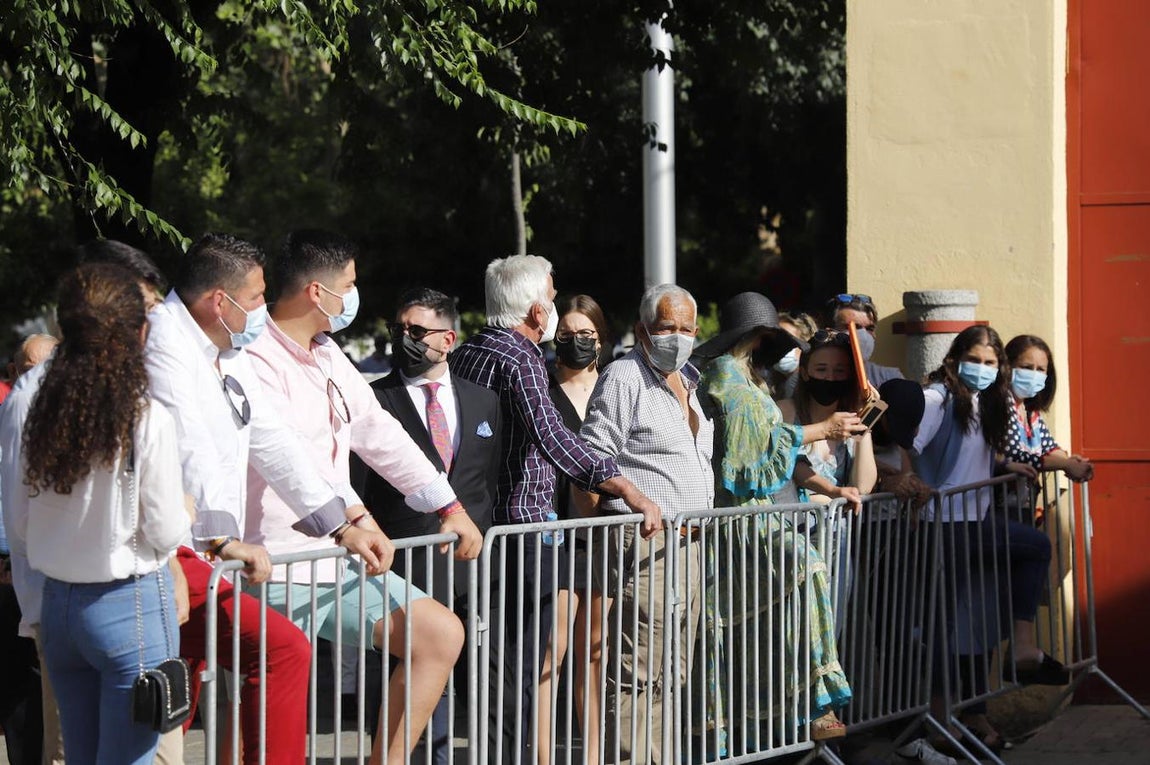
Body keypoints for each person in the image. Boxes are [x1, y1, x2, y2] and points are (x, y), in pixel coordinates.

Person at [145, 232, 394, 765]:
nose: (264, 308)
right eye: (257, 297)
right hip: (174, 555)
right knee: (260, 660)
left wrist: (339, 525)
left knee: (180, 698)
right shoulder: (164, 346)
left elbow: (272, 441)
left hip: (205, 556)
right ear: (220, 301)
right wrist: (221, 540)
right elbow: (190, 451)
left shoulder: (224, 349)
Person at [245, 232, 482, 765]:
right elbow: (285, 458)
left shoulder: (328, 352)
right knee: (264, 719)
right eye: (349, 285)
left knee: (439, 635)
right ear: (316, 292)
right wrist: (347, 520)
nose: (356, 295)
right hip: (270, 563)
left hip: (332, 557)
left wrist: (448, 505)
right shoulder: (253, 357)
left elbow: (377, 432)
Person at [450, 254, 663, 764]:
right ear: (536, 312)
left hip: (481, 523)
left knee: (494, 665)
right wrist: (625, 487)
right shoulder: (521, 358)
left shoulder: (469, 350)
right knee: (521, 666)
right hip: (521, 528)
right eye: (549, 295)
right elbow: (553, 438)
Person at [0, 240, 188, 765]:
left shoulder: (26, 400)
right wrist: (188, 509)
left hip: (57, 606)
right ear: (138, 330)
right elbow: (167, 528)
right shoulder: (143, 413)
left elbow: (18, 518)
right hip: (125, 599)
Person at [694, 292, 862, 748]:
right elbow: (749, 456)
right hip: (737, 512)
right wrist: (823, 430)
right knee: (804, 568)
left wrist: (830, 481)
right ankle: (812, 701)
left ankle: (800, 706)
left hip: (754, 510)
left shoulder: (750, 375)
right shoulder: (726, 375)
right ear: (757, 335)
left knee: (768, 605)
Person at [362, 286, 502, 765]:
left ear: (448, 338)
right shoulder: (373, 401)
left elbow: (487, 478)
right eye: (399, 329)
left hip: (470, 564)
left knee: (474, 676)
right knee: (416, 677)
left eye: (417, 331)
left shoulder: (483, 401)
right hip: (405, 563)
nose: (406, 338)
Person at [912, 325, 1067, 754]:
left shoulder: (984, 403)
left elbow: (977, 453)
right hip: (941, 524)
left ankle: (972, 709)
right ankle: (943, 724)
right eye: (974, 360)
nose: (981, 369)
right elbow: (911, 445)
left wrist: (1005, 466)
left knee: (965, 623)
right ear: (955, 358)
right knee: (942, 628)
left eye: (989, 362)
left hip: (973, 521)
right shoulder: (937, 398)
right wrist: (909, 483)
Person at [579, 284, 713, 764]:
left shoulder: (691, 381)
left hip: (690, 546)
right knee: (639, 671)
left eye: (684, 329)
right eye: (665, 328)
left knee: (674, 671)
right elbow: (592, 455)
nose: (675, 337)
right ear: (642, 331)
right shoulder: (623, 376)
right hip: (646, 544)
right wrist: (631, 498)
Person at [544, 294, 611, 765]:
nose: (576, 342)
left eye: (586, 334)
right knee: (554, 648)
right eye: (566, 334)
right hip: (556, 532)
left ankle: (591, 754)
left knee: (594, 651)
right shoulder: (542, 388)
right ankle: (545, 755)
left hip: (605, 531)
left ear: (601, 339)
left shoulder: (614, 388)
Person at [779, 328, 879, 512]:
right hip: (793, 532)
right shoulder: (786, 411)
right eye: (821, 369)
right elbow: (788, 465)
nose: (830, 378)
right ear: (804, 373)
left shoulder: (851, 420)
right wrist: (833, 492)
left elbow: (863, 487)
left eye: (840, 370)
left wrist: (867, 416)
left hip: (836, 534)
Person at [1002, 335, 1093, 483]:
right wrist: (1064, 464)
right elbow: (1013, 456)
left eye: (1040, 369)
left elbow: (1048, 447)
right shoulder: (1002, 405)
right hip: (999, 501)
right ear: (1008, 367)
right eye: (1026, 367)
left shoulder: (1030, 410)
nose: (1033, 374)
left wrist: (1070, 461)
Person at [826, 293, 904, 386]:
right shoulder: (815, 377)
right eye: (854, 327)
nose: (863, 335)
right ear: (829, 332)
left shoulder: (889, 379)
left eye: (869, 328)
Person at [770, 311, 817, 399]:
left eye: (787, 341)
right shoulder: (769, 380)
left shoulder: (808, 389)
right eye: (775, 339)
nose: (778, 347)